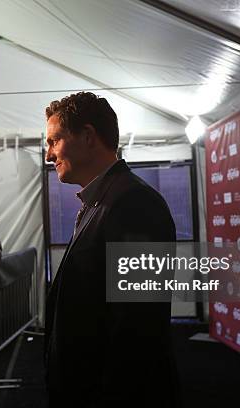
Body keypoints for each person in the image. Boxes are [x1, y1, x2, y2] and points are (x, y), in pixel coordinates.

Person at [44, 92, 179, 407]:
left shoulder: (134, 203)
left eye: (55, 141)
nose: (49, 154)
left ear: (88, 136)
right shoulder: (102, 200)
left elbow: (139, 329)